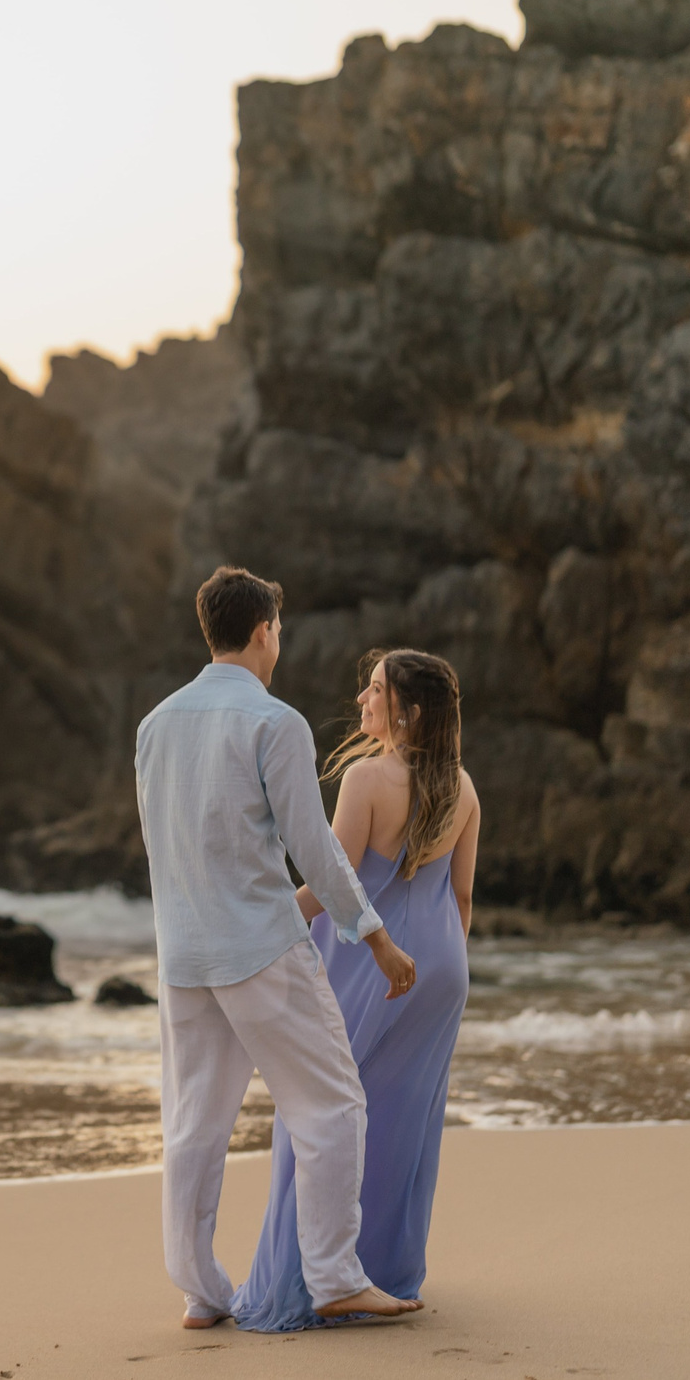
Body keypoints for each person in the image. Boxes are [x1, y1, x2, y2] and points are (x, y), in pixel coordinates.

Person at [135, 567, 425, 1331]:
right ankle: (334, 1276)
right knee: (332, 1105)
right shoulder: (275, 721)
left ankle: (201, 1290)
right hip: (262, 949)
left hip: (184, 959)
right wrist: (375, 936)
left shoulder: (155, 724)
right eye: (280, 631)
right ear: (264, 631)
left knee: (194, 1128)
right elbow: (317, 852)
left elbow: (164, 851)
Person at [230, 648, 479, 1332]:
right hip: (441, 972)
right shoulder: (464, 787)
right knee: (405, 1120)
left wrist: (255, 921)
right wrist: (442, 967)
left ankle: (311, 1281)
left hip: (370, 964)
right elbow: (461, 902)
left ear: (409, 711)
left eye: (375, 690)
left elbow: (332, 886)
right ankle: (388, 1273)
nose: (362, 699)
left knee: (318, 1113)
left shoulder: (368, 779)